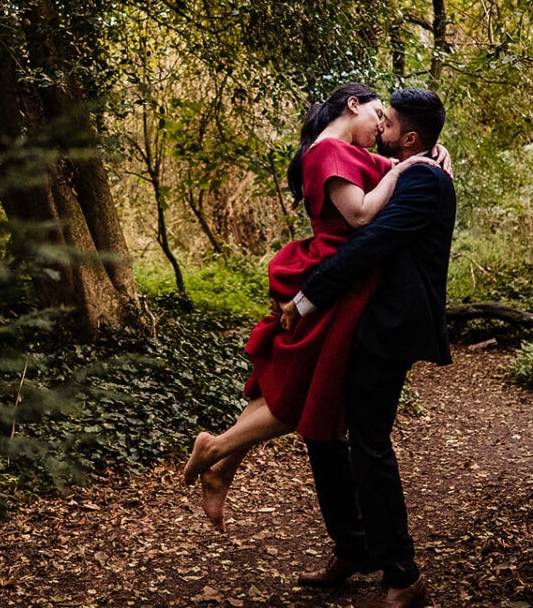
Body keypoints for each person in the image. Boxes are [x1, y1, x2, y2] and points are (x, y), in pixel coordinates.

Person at [182, 83, 442, 531]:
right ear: (353, 104)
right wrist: (404, 172)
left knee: (280, 379)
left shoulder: (348, 152)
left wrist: (434, 154)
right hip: (332, 274)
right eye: (379, 114)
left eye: (390, 122)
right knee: (302, 390)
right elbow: (361, 215)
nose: (382, 126)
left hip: (341, 275)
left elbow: (406, 156)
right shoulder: (326, 153)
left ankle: (222, 467)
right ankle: (216, 448)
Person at [283, 87, 455, 608]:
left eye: (389, 123)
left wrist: (307, 297)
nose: (379, 129)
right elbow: (373, 169)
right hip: (364, 319)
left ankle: (402, 577)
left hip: (389, 325)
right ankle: (353, 546)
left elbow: (370, 242)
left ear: (408, 137)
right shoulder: (414, 167)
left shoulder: (424, 178)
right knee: (325, 430)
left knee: (369, 443)